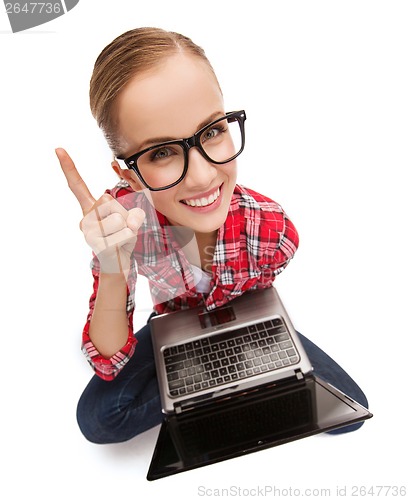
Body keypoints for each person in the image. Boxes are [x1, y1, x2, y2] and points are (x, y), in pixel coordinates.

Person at [56, 27, 368, 444]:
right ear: (127, 175)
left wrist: (246, 354)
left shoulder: (273, 228)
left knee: (348, 410)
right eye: (161, 152)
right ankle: (236, 387)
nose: (203, 176)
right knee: (99, 419)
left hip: (251, 317)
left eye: (212, 132)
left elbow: (261, 294)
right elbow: (108, 361)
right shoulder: (123, 225)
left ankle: (216, 389)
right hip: (175, 324)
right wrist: (114, 267)